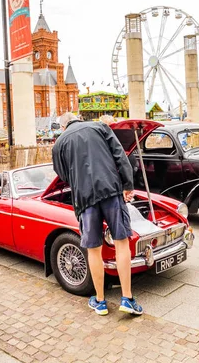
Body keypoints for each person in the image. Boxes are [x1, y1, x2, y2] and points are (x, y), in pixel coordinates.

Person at [52, 112, 143, 316]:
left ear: (63, 127)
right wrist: (127, 185)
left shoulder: (59, 143)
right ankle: (127, 299)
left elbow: (63, 174)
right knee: (121, 242)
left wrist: (79, 181)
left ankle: (100, 301)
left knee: (93, 249)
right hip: (111, 191)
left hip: (84, 199)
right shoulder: (100, 127)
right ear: (79, 118)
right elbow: (120, 156)